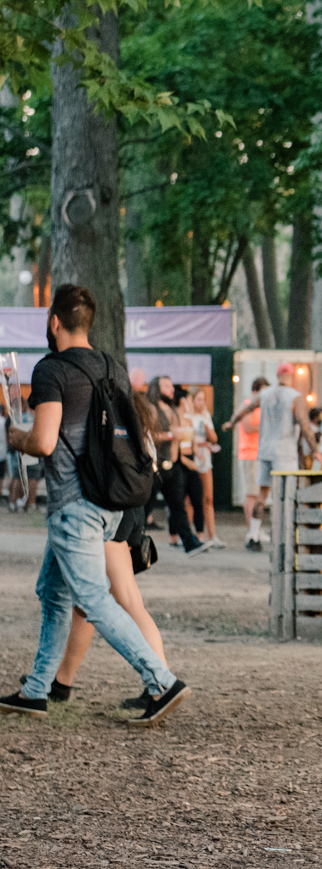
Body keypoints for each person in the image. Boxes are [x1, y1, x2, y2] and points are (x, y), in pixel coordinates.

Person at [0, 285, 190, 726]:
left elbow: (44, 441)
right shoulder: (113, 367)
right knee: (53, 593)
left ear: (54, 323)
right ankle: (36, 691)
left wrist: (16, 436)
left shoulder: (51, 371)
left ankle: (161, 681)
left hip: (73, 505)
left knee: (93, 598)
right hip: (111, 503)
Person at [48, 388, 175, 710]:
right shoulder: (136, 426)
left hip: (111, 511)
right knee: (86, 602)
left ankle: (161, 684)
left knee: (125, 601)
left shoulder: (108, 423)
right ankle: (62, 682)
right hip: (131, 511)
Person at [224, 363, 317, 552]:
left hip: (265, 451)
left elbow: (245, 410)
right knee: (285, 495)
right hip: (285, 452)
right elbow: (305, 425)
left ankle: (254, 536)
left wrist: (231, 423)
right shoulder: (295, 397)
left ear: (277, 375)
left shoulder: (264, 394)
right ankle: (284, 537)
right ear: (291, 376)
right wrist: (315, 450)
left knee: (262, 495)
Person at [147, 377, 205, 555]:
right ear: (157, 388)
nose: (171, 389)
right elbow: (148, 435)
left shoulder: (172, 409)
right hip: (156, 466)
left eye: (171, 386)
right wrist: (169, 436)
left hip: (173, 465)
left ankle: (189, 543)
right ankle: (130, 543)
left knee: (178, 505)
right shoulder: (152, 409)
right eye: (166, 386)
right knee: (144, 507)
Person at [185, 387, 223, 548]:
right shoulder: (186, 416)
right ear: (192, 400)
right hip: (192, 458)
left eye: (203, 399)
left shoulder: (206, 415)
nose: (201, 403)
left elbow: (214, 437)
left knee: (208, 498)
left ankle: (212, 535)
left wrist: (208, 430)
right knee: (190, 499)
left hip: (205, 459)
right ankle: (189, 534)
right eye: (198, 399)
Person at [233, 378, 268, 547]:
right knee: (251, 494)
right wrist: (267, 428)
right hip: (249, 455)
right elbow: (247, 427)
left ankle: (255, 528)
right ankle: (251, 531)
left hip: (260, 455)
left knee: (257, 493)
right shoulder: (247, 406)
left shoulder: (262, 408)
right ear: (255, 392)